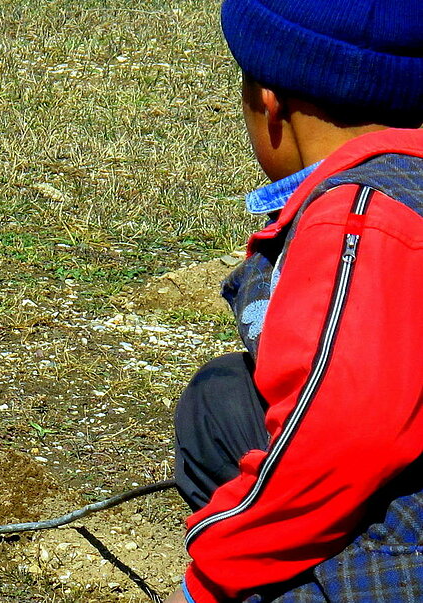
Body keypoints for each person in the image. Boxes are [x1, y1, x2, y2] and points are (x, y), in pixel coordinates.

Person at [165, 0, 423, 601]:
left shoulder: (360, 221)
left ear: (271, 104)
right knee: (222, 400)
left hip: (406, 552)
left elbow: (342, 444)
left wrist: (216, 564)